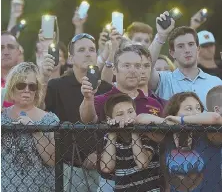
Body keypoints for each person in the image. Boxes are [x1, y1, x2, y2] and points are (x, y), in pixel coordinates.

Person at [80, 45, 165, 191]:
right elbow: (87, 119)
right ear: (114, 69)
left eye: (137, 66)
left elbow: (163, 138)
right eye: (126, 65)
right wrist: (88, 98)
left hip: (150, 179)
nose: (133, 70)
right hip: (111, 180)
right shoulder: (102, 100)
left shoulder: (154, 103)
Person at [44, 33, 112, 192]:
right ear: (71, 58)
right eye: (81, 50)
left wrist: (101, 154)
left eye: (92, 49)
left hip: (104, 167)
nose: (88, 53)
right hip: (68, 167)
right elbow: (40, 110)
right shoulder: (57, 85)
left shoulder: (107, 88)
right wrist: (43, 76)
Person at [1, 62, 59, 192]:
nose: (26, 90)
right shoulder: (2, 117)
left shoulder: (50, 119)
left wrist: (35, 130)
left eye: (32, 86)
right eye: (21, 85)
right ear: (11, 87)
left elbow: (53, 160)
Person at [148, 14, 222, 108]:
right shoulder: (164, 80)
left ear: (198, 49)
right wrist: (161, 35)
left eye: (191, 44)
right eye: (180, 46)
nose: (187, 50)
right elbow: (145, 66)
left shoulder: (216, 82)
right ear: (172, 53)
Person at [100, 93, 161, 192]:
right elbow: (107, 167)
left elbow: (142, 163)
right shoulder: (109, 138)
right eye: (120, 114)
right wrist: (112, 135)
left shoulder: (146, 134)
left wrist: (134, 132)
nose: (127, 117)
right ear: (109, 119)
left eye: (130, 111)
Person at [162, 92, 222, 192]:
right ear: (174, 113)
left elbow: (215, 117)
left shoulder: (209, 134)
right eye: (189, 108)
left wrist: (182, 120)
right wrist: (167, 122)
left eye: (198, 108)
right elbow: (141, 118)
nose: (196, 112)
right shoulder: (168, 136)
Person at [1, 31, 22, 108]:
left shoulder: (30, 82)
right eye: (1, 48)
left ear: (19, 52)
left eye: (10, 47)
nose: (6, 52)